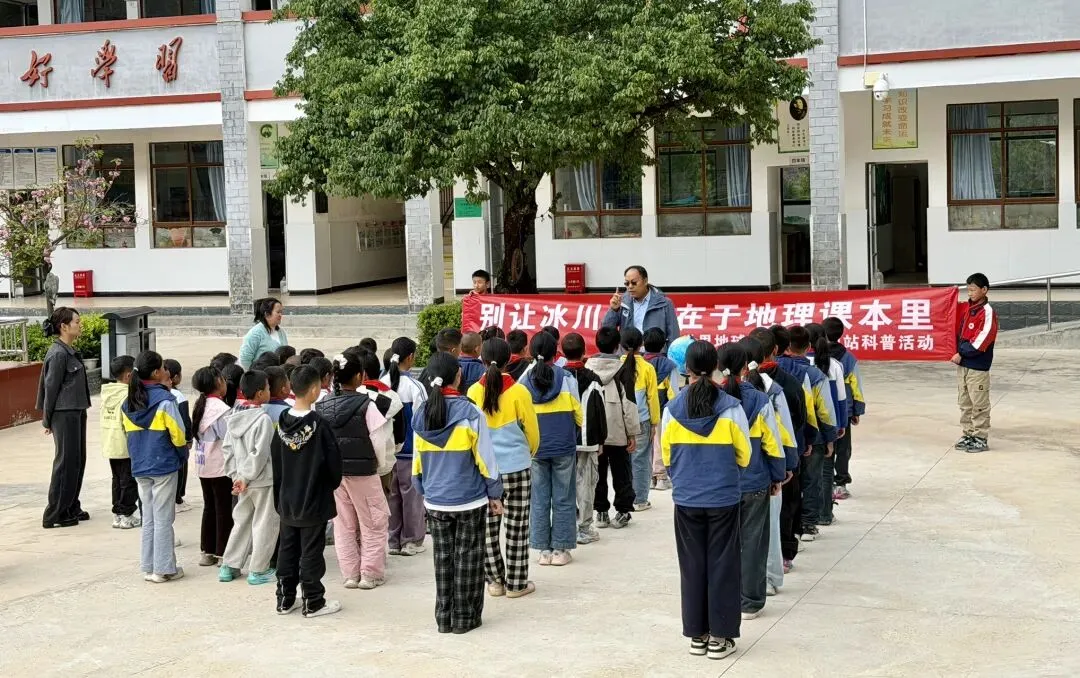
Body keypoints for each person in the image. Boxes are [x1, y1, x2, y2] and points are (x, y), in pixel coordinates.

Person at [660, 340, 751, 661]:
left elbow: (668, 457)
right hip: (723, 498)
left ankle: (697, 635)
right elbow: (744, 455)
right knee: (723, 565)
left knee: (692, 566)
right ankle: (721, 636)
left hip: (686, 499)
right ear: (715, 368)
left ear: (686, 369)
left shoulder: (671, 409)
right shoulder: (731, 408)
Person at [414, 352, 504, 633]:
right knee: (469, 558)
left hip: (436, 499)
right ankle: (465, 619)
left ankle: (444, 618)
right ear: (459, 376)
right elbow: (486, 460)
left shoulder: (422, 414)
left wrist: (423, 490)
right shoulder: (471, 413)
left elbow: (418, 462)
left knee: (442, 559)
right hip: (469, 499)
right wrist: (495, 493)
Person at [467, 338, 540, 599]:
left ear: (482, 359)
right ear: (510, 358)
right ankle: (517, 583)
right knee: (518, 527)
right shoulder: (520, 392)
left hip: (486, 471)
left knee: (488, 527)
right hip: (518, 467)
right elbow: (532, 432)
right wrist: (527, 453)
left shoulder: (474, 392)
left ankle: (494, 581)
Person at [717, 343, 785, 621]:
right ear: (747, 368)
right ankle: (750, 601)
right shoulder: (759, 400)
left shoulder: (708, 398)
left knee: (722, 543)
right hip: (755, 481)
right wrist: (778, 474)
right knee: (753, 544)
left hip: (720, 484)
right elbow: (773, 442)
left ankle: (723, 595)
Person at [317, 351, 395, 590]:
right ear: (360, 376)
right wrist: (381, 467)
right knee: (373, 522)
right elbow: (380, 441)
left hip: (336, 476)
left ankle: (351, 574)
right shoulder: (366, 405)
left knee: (344, 523)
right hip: (364, 472)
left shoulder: (321, 406)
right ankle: (370, 574)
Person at [272, 365, 344, 617]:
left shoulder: (280, 424)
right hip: (313, 499)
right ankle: (313, 600)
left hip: (287, 498)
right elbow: (334, 466)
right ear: (315, 389)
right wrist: (329, 486)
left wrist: (280, 495)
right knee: (311, 551)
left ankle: (284, 598)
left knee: (287, 549)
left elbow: (276, 463)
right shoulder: (320, 426)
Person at [122, 351, 189, 583]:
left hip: (140, 465)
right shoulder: (165, 401)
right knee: (163, 519)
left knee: (148, 517)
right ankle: (164, 568)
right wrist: (182, 455)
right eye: (162, 367)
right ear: (156, 372)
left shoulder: (128, 403)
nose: (165, 371)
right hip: (163, 465)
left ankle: (149, 566)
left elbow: (126, 435)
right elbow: (179, 436)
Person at [518, 331, 582, 566]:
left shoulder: (523, 382)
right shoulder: (566, 378)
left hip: (535, 448)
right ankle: (561, 550)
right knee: (564, 497)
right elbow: (578, 413)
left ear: (531, 353)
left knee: (540, 497)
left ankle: (543, 550)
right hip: (564, 445)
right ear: (557, 352)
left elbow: (520, 417)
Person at [741, 336, 798, 594]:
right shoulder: (771, 390)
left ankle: (763, 579)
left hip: (745, 473)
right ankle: (770, 578)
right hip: (765, 470)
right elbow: (784, 433)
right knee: (768, 527)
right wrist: (785, 467)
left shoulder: (729, 392)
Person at [775, 326, 838, 543]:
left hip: (782, 436)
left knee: (790, 482)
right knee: (812, 480)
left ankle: (787, 527)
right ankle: (809, 524)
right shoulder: (814, 374)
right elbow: (824, 410)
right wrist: (829, 437)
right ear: (808, 347)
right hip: (811, 436)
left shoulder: (772, 370)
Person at [220, 370, 279, 586]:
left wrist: (236, 475)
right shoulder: (262, 419)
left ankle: (229, 565)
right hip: (261, 481)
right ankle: (258, 569)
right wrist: (246, 476)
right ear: (261, 393)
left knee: (241, 521)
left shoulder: (234, 417)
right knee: (265, 523)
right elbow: (260, 453)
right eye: (268, 388)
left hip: (241, 482)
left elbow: (228, 449)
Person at [760, 325, 811, 569]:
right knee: (786, 504)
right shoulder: (787, 383)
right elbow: (799, 419)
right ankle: (784, 553)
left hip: (758, 459)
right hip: (785, 451)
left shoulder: (737, 387)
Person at [37, 307, 92, 529]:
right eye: (77, 322)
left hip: (76, 410)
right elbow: (50, 388)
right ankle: (54, 514)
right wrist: (47, 419)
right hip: (64, 413)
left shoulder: (69, 350)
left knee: (78, 460)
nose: (80, 325)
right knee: (65, 462)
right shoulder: (58, 354)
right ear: (64, 326)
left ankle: (70, 505)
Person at [586, 327, 640, 529]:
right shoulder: (624, 369)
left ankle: (600, 511)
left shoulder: (587, 368)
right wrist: (632, 432)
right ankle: (623, 511)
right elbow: (629, 404)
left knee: (597, 473)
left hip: (595, 432)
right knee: (622, 472)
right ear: (617, 346)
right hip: (618, 431)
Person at [381, 337, 429, 556]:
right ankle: (411, 540)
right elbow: (423, 422)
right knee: (411, 496)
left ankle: (393, 539)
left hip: (387, 452)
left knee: (391, 496)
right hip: (410, 452)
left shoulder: (382, 383)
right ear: (411, 358)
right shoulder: (414, 387)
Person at [560, 333, 607, 544]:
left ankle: (566, 526)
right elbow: (600, 412)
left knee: (564, 485)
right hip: (588, 440)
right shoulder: (594, 380)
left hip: (563, 440)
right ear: (584, 353)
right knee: (586, 484)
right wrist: (601, 441)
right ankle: (584, 528)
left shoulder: (558, 377)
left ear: (562, 353)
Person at [190, 366, 234, 569]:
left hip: (203, 465)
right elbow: (228, 438)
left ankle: (206, 551)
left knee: (210, 507)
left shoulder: (201, 405)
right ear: (217, 383)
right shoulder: (221, 410)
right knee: (224, 509)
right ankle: (223, 552)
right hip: (220, 466)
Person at [807, 324, 848, 527]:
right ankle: (824, 514)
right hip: (825, 427)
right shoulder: (833, 365)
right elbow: (840, 400)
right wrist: (839, 426)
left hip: (804, 427)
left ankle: (806, 519)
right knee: (825, 471)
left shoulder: (800, 364)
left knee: (805, 475)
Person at [953, 272, 998, 453]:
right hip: (963, 366)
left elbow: (982, 340)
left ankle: (980, 437)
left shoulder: (987, 312)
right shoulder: (968, 310)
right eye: (968, 289)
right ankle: (968, 433)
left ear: (984, 290)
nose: (970, 293)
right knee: (965, 402)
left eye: (973, 289)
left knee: (979, 403)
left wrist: (961, 352)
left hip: (978, 366)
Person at [822, 317, 865, 499]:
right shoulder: (849, 359)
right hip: (844, 412)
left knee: (824, 447)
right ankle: (841, 483)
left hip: (822, 411)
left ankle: (826, 482)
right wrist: (857, 410)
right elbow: (856, 387)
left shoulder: (816, 356)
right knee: (843, 448)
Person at [620, 328, 661, 512]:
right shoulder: (647, 368)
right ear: (641, 344)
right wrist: (654, 422)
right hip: (642, 420)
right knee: (641, 459)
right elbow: (652, 398)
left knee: (623, 461)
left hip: (619, 421)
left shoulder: (617, 365)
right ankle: (640, 500)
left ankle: (624, 499)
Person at [101, 355, 141, 529]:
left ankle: (117, 514)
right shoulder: (128, 395)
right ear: (129, 376)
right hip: (125, 445)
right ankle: (127, 514)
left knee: (117, 480)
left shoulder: (108, 393)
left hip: (111, 444)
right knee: (128, 481)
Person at [603, 265, 679, 352]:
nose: (630, 286)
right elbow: (607, 332)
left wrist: (668, 359)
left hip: (654, 357)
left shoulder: (664, 303)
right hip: (628, 356)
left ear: (645, 281)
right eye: (627, 283)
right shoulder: (622, 302)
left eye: (634, 282)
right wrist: (613, 310)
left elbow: (673, 336)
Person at [643, 328, 680, 491]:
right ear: (663, 345)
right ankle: (661, 477)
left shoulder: (640, 363)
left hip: (643, 408)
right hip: (663, 408)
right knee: (660, 442)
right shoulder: (669, 365)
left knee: (645, 444)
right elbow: (673, 392)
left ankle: (650, 477)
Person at [164, 359, 193, 514]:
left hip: (164, 440)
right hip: (178, 440)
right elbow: (185, 420)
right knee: (181, 469)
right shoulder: (178, 396)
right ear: (175, 377)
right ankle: (178, 499)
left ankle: (172, 498)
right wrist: (188, 439)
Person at [239, 298, 289, 369]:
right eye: (278, 312)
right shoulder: (255, 334)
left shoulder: (281, 332)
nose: (281, 315)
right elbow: (244, 359)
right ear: (267, 314)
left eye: (281, 312)